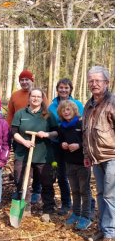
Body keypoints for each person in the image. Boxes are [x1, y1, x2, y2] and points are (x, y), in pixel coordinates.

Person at [11, 88, 59, 217]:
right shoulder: (21, 113)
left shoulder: (48, 114)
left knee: (47, 182)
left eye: (38, 96)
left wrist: (47, 134)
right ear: (29, 98)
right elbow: (14, 131)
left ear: (42, 99)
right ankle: (25, 207)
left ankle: (48, 209)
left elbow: (56, 132)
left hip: (43, 155)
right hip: (23, 153)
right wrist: (23, 142)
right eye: (33, 96)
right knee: (21, 180)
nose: (35, 99)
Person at [82, 66, 115, 241]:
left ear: (106, 83)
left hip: (112, 157)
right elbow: (85, 133)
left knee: (111, 196)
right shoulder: (88, 104)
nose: (94, 84)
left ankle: (110, 234)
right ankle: (102, 229)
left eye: (97, 81)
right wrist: (87, 154)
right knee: (101, 194)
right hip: (96, 158)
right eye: (91, 81)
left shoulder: (113, 102)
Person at [48, 78, 86, 215]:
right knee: (61, 174)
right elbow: (50, 124)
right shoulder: (51, 106)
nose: (63, 90)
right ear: (57, 89)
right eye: (61, 88)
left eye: (66, 88)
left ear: (70, 89)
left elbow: (82, 123)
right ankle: (66, 203)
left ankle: (86, 206)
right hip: (57, 144)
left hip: (75, 147)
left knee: (78, 177)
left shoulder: (77, 104)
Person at [55, 100, 92, 231]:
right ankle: (76, 213)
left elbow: (88, 141)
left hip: (83, 163)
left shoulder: (81, 124)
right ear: (60, 112)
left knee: (84, 191)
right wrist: (63, 144)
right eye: (64, 110)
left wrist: (79, 146)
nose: (66, 112)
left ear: (74, 111)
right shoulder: (62, 127)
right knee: (75, 190)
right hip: (69, 163)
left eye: (69, 110)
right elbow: (60, 141)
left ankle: (86, 216)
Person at [6, 69, 42, 204]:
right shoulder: (15, 95)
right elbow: (10, 114)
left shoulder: (39, 95)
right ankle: (20, 190)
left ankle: (36, 191)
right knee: (19, 165)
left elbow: (46, 113)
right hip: (19, 137)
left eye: (27, 79)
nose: (24, 82)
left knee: (37, 166)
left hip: (37, 139)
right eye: (22, 80)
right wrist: (9, 132)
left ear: (32, 80)